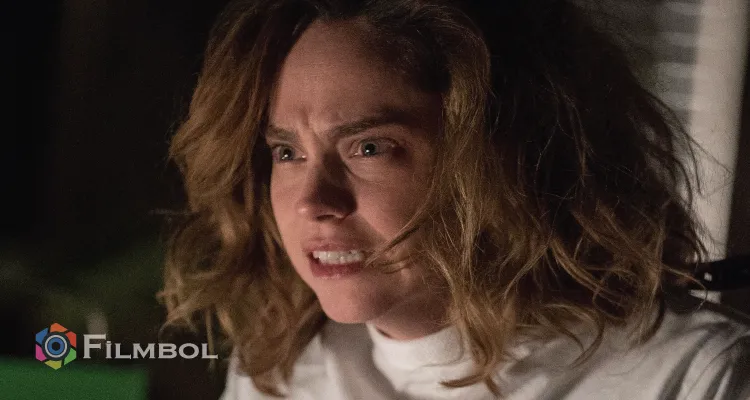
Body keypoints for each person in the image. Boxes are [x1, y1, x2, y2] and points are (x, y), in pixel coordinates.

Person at [160, 0, 750, 398]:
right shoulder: (280, 372)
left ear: (502, 155)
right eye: (287, 152)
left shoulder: (691, 377)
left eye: (370, 148)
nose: (313, 202)